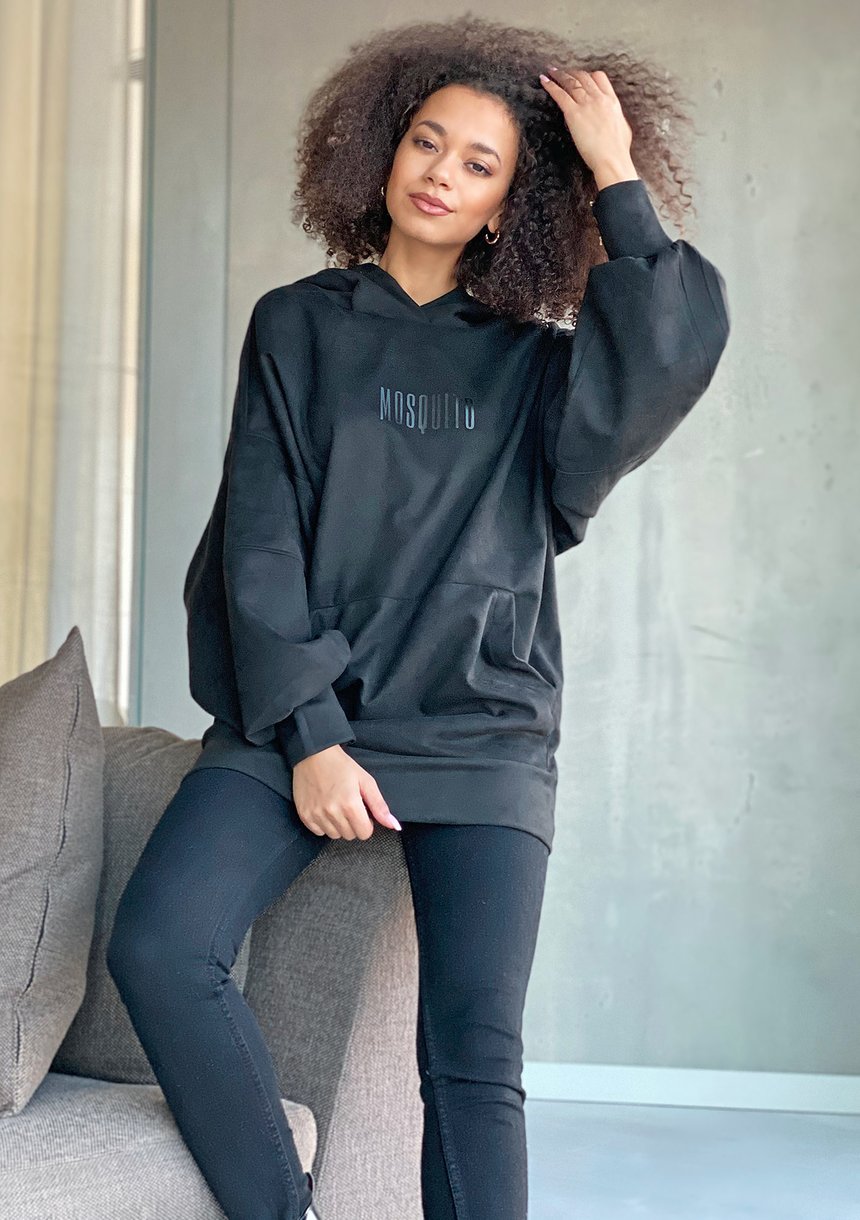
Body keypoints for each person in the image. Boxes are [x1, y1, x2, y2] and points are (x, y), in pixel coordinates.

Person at [106, 16, 730, 1220]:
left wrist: (612, 172)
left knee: (472, 1058)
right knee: (160, 942)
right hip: (300, 708)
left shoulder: (538, 367)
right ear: (382, 152)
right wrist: (310, 735)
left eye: (479, 162)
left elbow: (671, 351)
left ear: (508, 206)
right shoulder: (298, 323)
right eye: (426, 141)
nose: (440, 172)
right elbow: (258, 540)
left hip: (478, 725)